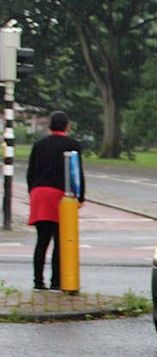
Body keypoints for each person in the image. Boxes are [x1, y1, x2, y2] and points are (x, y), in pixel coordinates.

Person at [26, 112, 85, 290]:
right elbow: (77, 173)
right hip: (59, 197)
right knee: (61, 240)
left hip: (39, 194)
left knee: (42, 240)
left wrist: (32, 192)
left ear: (50, 126)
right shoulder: (72, 145)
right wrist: (80, 197)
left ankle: (38, 281)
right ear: (66, 126)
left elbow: (30, 172)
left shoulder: (39, 144)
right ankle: (56, 281)